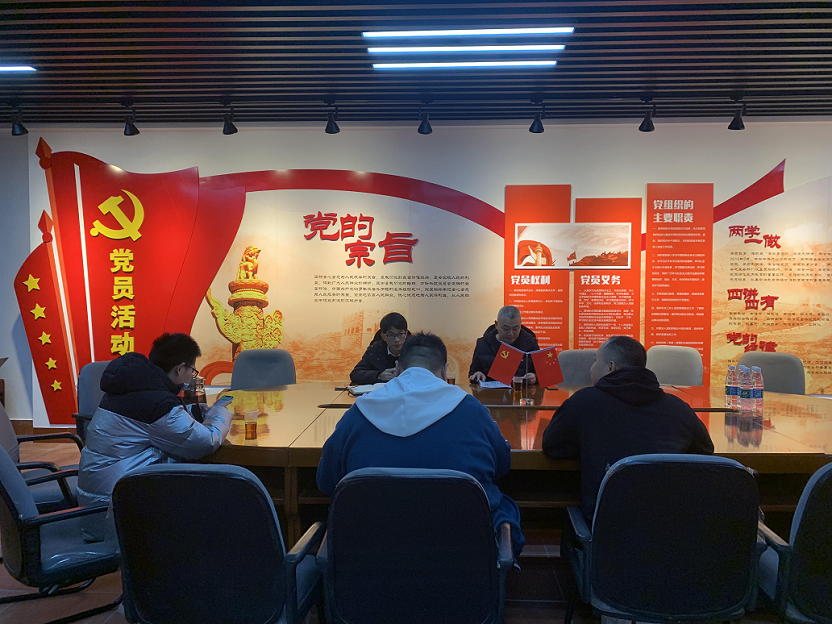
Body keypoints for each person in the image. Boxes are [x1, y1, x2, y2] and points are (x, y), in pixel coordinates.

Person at [319, 332, 525, 557]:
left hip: (369, 561)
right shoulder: (473, 411)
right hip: (461, 561)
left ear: (397, 369)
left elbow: (327, 481)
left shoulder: (358, 413)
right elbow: (502, 465)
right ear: (445, 371)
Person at [77, 332, 234, 541]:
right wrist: (220, 412)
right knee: (214, 494)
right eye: (192, 370)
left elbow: (151, 425)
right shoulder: (157, 404)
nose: (192, 377)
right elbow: (206, 441)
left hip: (99, 504)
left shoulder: (132, 387)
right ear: (180, 369)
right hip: (117, 518)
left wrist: (192, 412)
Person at [541, 335, 714, 521]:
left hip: (607, 528)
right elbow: (705, 451)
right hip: (670, 527)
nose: (591, 368)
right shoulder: (679, 408)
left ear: (610, 367)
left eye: (595, 361)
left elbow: (553, 448)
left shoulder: (582, 403)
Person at [469, 305, 539, 384]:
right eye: (506, 329)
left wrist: (535, 377)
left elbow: (541, 376)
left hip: (521, 390)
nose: (511, 333)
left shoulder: (530, 344)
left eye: (515, 329)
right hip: (489, 390)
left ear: (520, 324)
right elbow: (473, 372)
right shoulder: (483, 344)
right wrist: (477, 375)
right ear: (496, 325)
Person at [350, 312, 410, 385]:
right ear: (383, 336)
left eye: (400, 334)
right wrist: (379, 375)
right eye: (391, 335)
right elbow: (355, 374)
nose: (396, 340)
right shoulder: (375, 351)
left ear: (406, 334)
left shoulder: (415, 350)